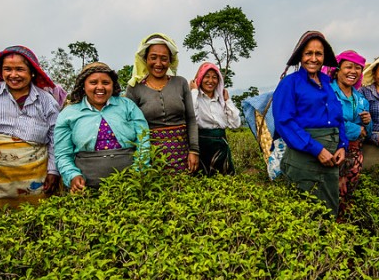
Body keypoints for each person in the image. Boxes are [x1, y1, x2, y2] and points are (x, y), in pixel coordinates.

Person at [0, 46, 61, 210]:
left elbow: (55, 137)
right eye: (7, 69)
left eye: (20, 69)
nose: (13, 75)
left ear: (32, 72)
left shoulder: (46, 100)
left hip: (35, 176)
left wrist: (53, 171)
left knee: (35, 219)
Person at [272, 31, 348, 217]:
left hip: (331, 160)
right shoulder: (290, 84)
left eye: (318, 54)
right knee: (303, 214)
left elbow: (338, 119)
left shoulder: (328, 83)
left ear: (324, 57)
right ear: (300, 56)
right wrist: (316, 149)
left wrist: (342, 145)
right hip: (303, 158)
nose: (313, 58)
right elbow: (285, 122)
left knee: (328, 213)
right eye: (308, 53)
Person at [54, 63, 149, 191]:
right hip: (87, 188)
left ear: (113, 85)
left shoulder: (127, 106)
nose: (100, 87)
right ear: (83, 85)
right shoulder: (68, 114)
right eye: (93, 82)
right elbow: (63, 154)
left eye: (105, 82)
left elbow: (143, 140)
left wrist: (139, 171)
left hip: (130, 185)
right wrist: (72, 176)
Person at [125, 33, 199, 173]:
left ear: (170, 61)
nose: (158, 63)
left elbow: (191, 119)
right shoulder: (135, 88)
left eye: (164, 59)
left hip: (182, 154)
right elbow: (128, 124)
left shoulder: (181, 83)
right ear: (145, 59)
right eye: (153, 57)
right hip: (149, 157)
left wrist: (194, 150)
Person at [327, 50, 372, 215]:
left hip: (355, 156)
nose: (353, 71)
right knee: (331, 192)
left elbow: (368, 131)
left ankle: (344, 226)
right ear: (337, 69)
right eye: (348, 67)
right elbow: (328, 120)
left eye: (358, 68)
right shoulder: (328, 92)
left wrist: (368, 122)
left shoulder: (360, 98)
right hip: (333, 151)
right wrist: (357, 128)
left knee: (349, 194)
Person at [189, 62, 241, 175]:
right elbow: (192, 117)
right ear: (200, 78)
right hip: (202, 146)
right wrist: (193, 92)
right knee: (202, 181)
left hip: (221, 146)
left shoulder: (221, 100)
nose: (210, 81)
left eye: (214, 77)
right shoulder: (195, 98)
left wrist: (227, 100)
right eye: (206, 76)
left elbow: (235, 124)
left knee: (225, 181)